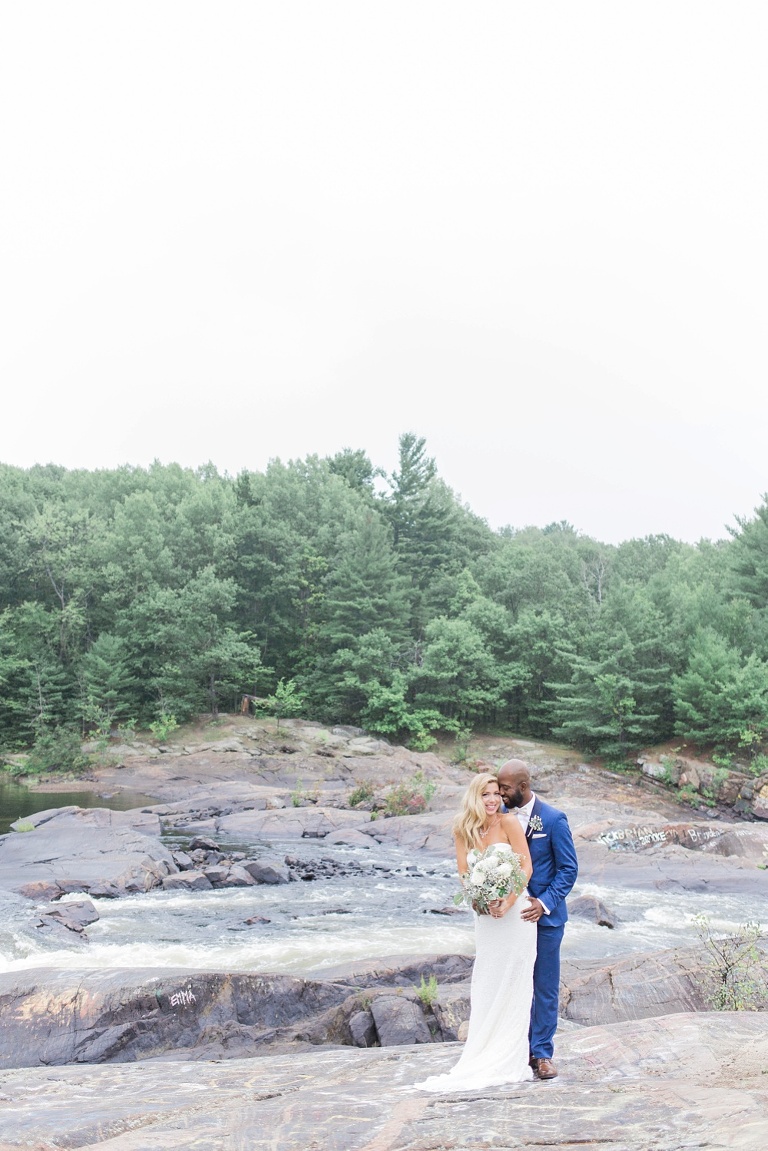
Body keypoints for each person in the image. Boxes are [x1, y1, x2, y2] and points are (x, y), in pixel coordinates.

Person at [415, 772, 537, 1092]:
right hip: (484, 916)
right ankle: (482, 1050)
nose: (493, 800)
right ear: (474, 797)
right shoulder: (463, 828)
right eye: (486, 794)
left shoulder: (509, 823)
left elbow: (526, 867)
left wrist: (509, 901)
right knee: (487, 979)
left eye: (496, 793)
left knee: (514, 981)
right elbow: (464, 871)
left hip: (515, 914)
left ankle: (510, 1055)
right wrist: (478, 900)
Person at [497, 759, 578, 1081]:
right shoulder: (499, 819)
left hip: (546, 920)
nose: (500, 794)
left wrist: (544, 903)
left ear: (523, 787)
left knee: (544, 987)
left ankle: (542, 1054)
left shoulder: (554, 820)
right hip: (509, 919)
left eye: (505, 788)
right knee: (513, 985)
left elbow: (568, 869)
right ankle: (512, 1049)